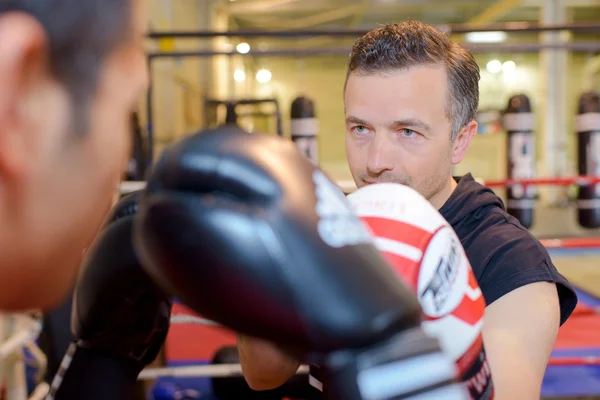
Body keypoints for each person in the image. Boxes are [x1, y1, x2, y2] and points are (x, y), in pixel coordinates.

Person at [237, 20, 578, 400]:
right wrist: (261, 269)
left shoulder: (511, 264)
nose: (376, 161)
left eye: (407, 132)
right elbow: (262, 375)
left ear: (460, 141)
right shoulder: (333, 228)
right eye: (361, 129)